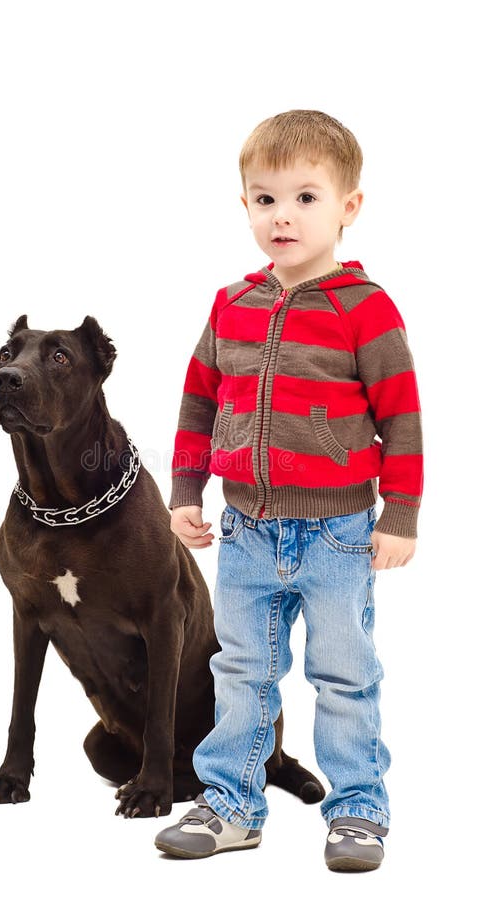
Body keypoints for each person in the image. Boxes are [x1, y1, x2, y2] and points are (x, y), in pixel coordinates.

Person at [154, 109, 423, 871]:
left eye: (306, 197)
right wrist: (186, 491)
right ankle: (232, 804)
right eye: (265, 198)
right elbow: (200, 401)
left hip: (338, 534)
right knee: (238, 670)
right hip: (244, 532)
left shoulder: (364, 310)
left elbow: (400, 417)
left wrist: (399, 514)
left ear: (349, 207)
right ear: (245, 206)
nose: (283, 216)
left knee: (344, 675)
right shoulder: (231, 304)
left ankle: (359, 809)